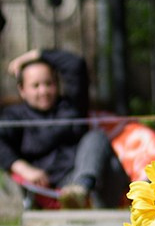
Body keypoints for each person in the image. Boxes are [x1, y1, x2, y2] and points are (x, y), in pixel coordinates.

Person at [0, 48, 128, 207]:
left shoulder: (71, 107)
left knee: (96, 137)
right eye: (36, 85)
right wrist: (23, 168)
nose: (44, 91)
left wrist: (33, 55)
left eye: (49, 84)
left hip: (86, 176)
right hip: (53, 185)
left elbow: (75, 65)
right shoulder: (14, 116)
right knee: (112, 163)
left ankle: (82, 188)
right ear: (22, 90)